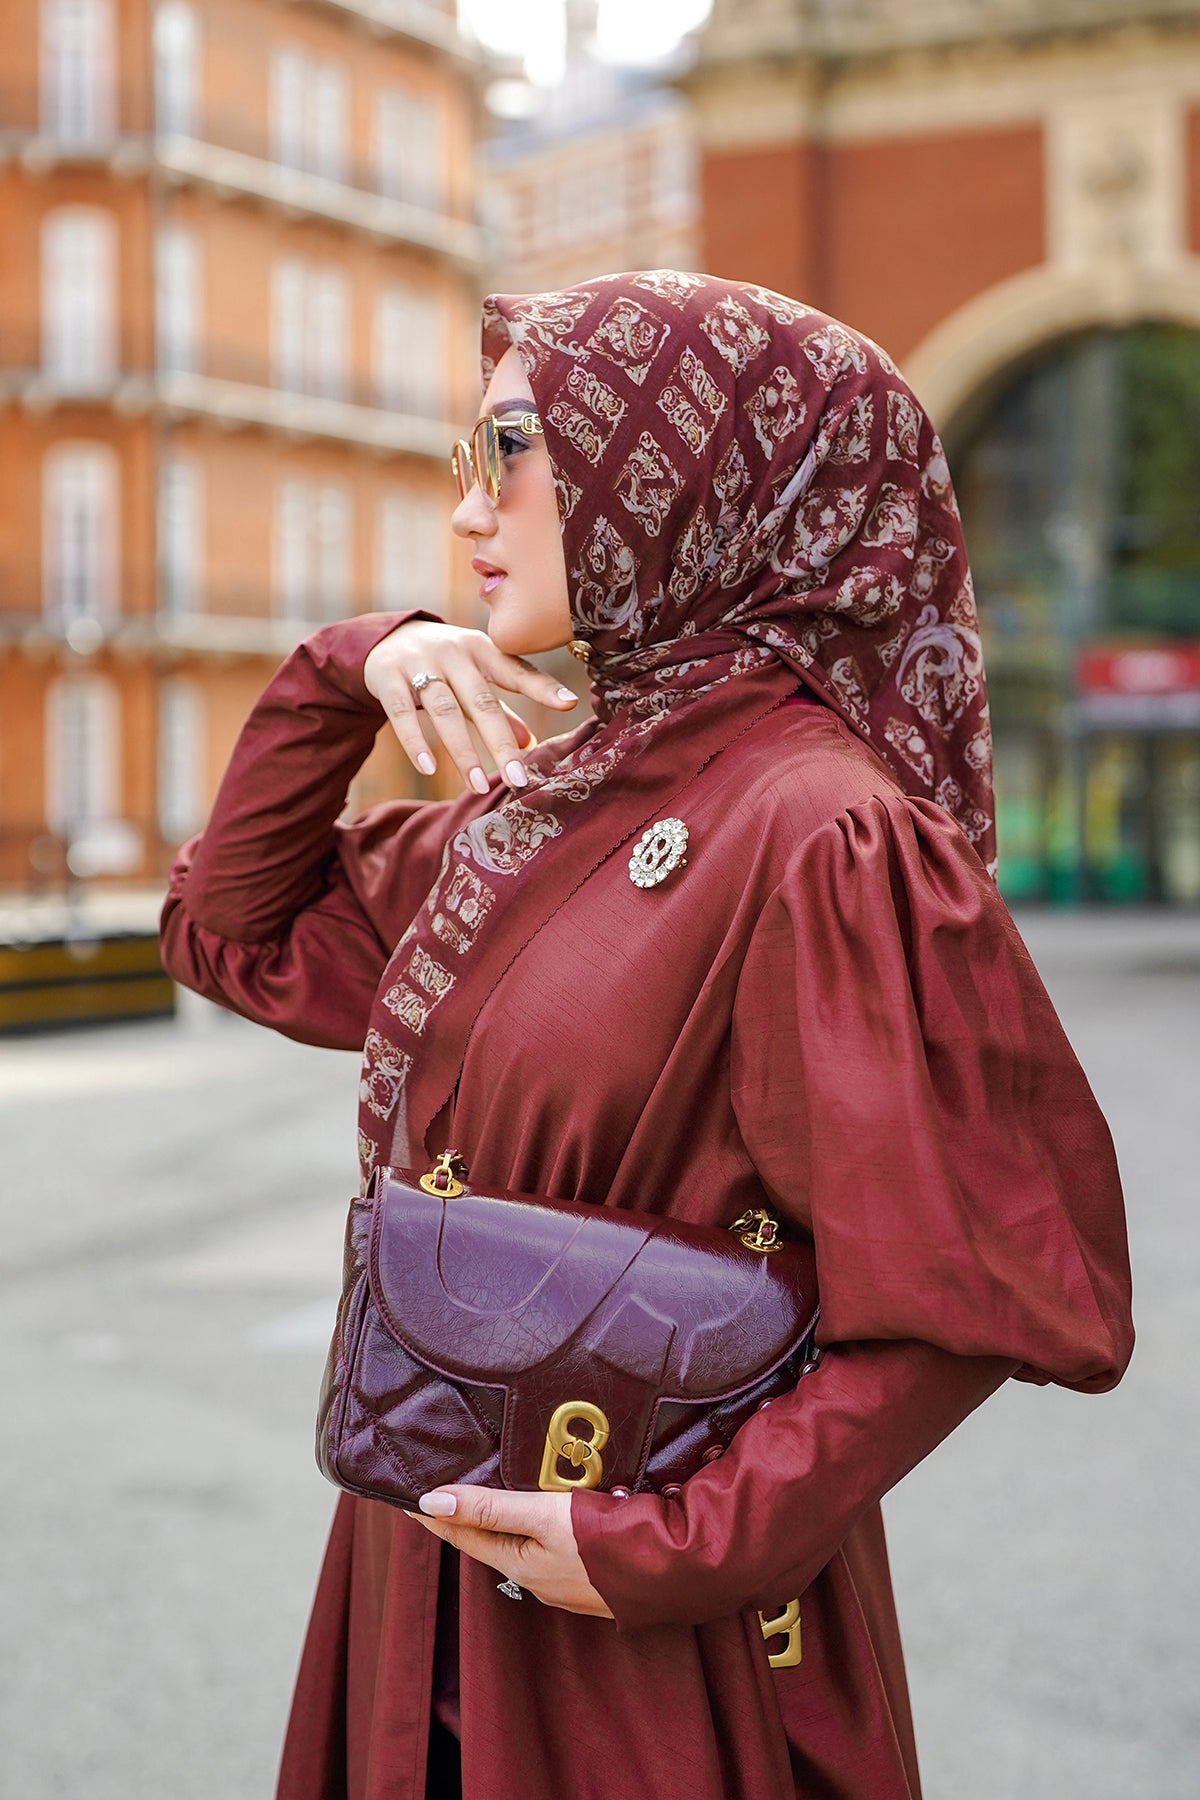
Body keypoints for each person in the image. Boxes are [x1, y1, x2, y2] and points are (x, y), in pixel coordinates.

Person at [160, 272, 1134, 1800]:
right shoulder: (551, 806)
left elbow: (964, 1299)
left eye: (512, 452)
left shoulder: (820, 830)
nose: (467, 509)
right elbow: (231, 931)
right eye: (466, 456)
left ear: (681, 478)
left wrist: (681, 1546)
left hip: (641, 1642)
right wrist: (351, 667)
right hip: (422, 1567)